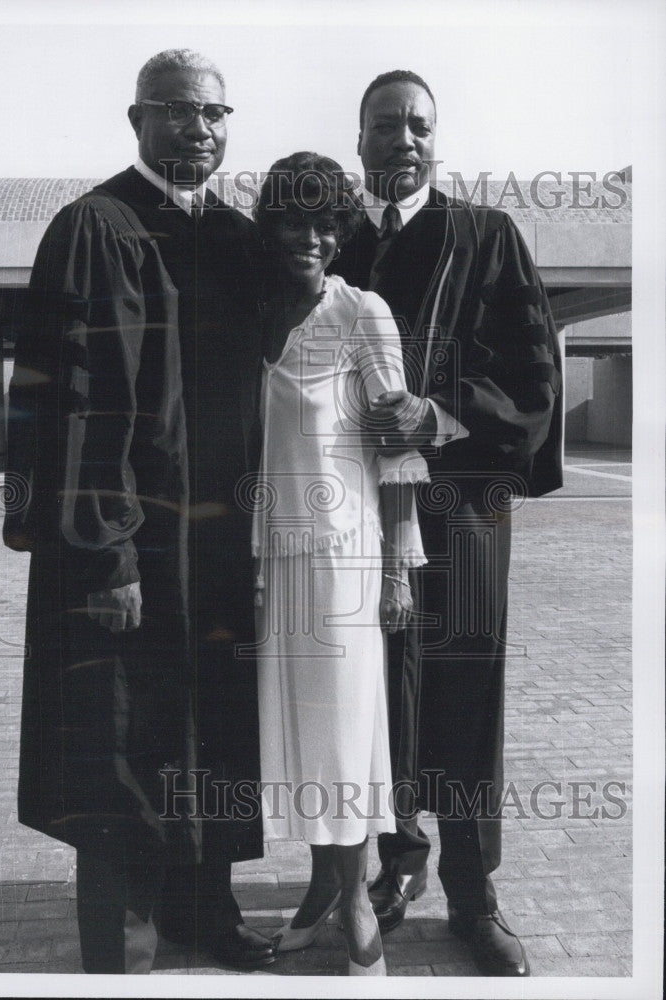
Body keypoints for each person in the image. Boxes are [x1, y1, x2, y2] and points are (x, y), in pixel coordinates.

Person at [3, 49, 275, 973]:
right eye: (177, 112)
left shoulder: (237, 239)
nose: (197, 129)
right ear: (137, 119)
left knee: (213, 724)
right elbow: (78, 401)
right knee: (121, 733)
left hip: (220, 550)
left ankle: (206, 909)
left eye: (213, 114)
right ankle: (123, 934)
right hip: (129, 546)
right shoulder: (95, 226)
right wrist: (106, 551)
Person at [331, 70, 563, 977]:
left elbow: (536, 375)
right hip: (360, 518)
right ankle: (396, 866)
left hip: (461, 510)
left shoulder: (487, 237)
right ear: (358, 142)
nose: (405, 140)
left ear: (437, 138)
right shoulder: (335, 243)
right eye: (386, 126)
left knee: (463, 694)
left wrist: (441, 413)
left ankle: (473, 892)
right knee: (377, 695)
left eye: (420, 126)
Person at [249, 152, 431, 976]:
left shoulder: (365, 313)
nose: (313, 237)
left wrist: (397, 564)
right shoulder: (245, 312)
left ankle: (356, 895)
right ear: (270, 224)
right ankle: (319, 889)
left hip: (348, 559)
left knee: (348, 731)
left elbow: (397, 449)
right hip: (266, 561)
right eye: (295, 219)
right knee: (297, 737)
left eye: (329, 223)